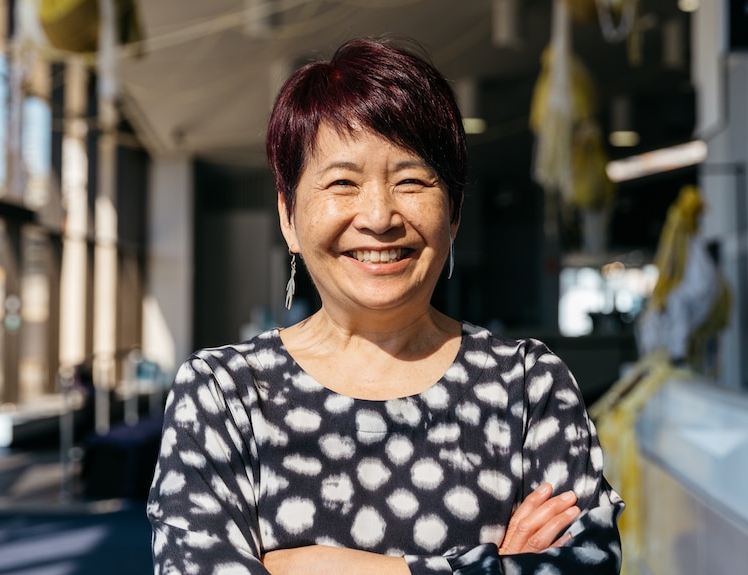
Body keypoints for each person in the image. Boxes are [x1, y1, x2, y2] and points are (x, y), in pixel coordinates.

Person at [146, 37, 624, 574]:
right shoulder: (225, 394)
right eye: (343, 183)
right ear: (288, 217)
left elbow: (588, 564)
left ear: (455, 213)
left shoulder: (528, 385)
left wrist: (311, 567)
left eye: (412, 180)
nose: (378, 216)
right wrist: (495, 567)